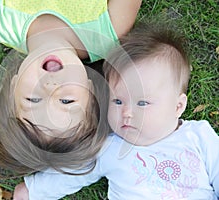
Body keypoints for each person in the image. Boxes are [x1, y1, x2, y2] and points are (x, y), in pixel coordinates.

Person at [14, 18, 219, 199]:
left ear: (178, 106)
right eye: (118, 101)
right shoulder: (109, 147)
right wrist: (34, 190)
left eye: (142, 103)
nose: (127, 113)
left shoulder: (198, 136)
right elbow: (75, 172)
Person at [0, 0, 142, 175]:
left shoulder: (1, 19)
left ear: (13, 86)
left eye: (33, 99)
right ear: (90, 90)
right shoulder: (110, 27)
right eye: (66, 101)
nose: (51, 88)